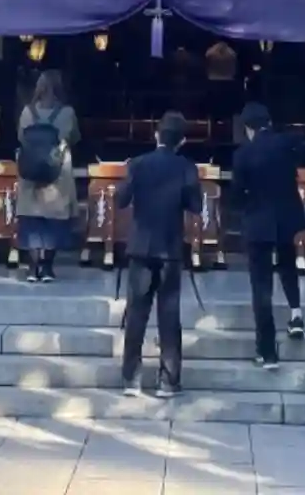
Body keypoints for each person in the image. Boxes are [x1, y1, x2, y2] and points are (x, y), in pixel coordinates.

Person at [116, 110, 202, 398]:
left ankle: (131, 378)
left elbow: (121, 199)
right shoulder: (186, 167)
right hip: (170, 247)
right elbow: (196, 206)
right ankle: (168, 380)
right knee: (169, 314)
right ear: (182, 141)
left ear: (156, 135)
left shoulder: (138, 164)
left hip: (141, 246)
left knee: (136, 313)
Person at [228, 102, 305, 368]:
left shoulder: (243, 154)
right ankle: (296, 315)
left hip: (258, 222)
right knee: (288, 265)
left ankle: (267, 352)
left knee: (261, 286)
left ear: (248, 128)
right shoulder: (287, 143)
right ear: (269, 122)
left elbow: (236, 195)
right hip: (287, 218)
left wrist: (244, 206)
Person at [13, 71, 79, 283]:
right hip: (57, 170)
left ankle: (33, 268)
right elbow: (74, 137)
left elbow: (20, 137)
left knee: (32, 219)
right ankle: (47, 267)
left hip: (30, 170)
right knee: (53, 219)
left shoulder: (27, 112)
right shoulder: (67, 112)